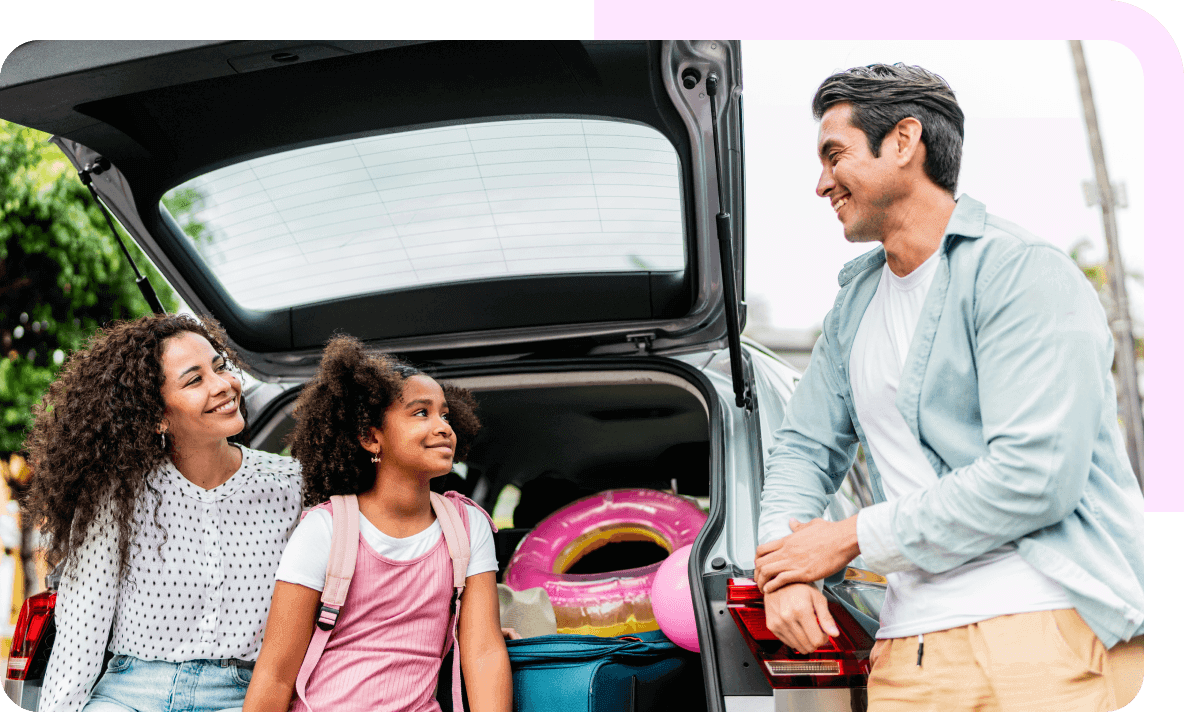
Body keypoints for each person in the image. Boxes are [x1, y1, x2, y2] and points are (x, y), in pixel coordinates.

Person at [753, 63, 1144, 711]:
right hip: (912, 655)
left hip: (1048, 628)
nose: (822, 182)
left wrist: (846, 537)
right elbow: (800, 451)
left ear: (903, 142)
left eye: (835, 154)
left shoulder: (1021, 275)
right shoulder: (852, 311)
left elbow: (1034, 476)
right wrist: (781, 572)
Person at [23, 314, 303, 712]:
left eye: (220, 366)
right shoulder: (116, 496)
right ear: (156, 416)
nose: (224, 385)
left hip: (244, 696)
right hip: (128, 696)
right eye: (195, 380)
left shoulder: (292, 486)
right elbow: (80, 634)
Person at [243, 335, 511, 712]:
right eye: (422, 413)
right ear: (371, 437)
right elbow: (275, 674)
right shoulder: (325, 530)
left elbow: (483, 652)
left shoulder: (468, 526)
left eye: (445, 414)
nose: (443, 427)